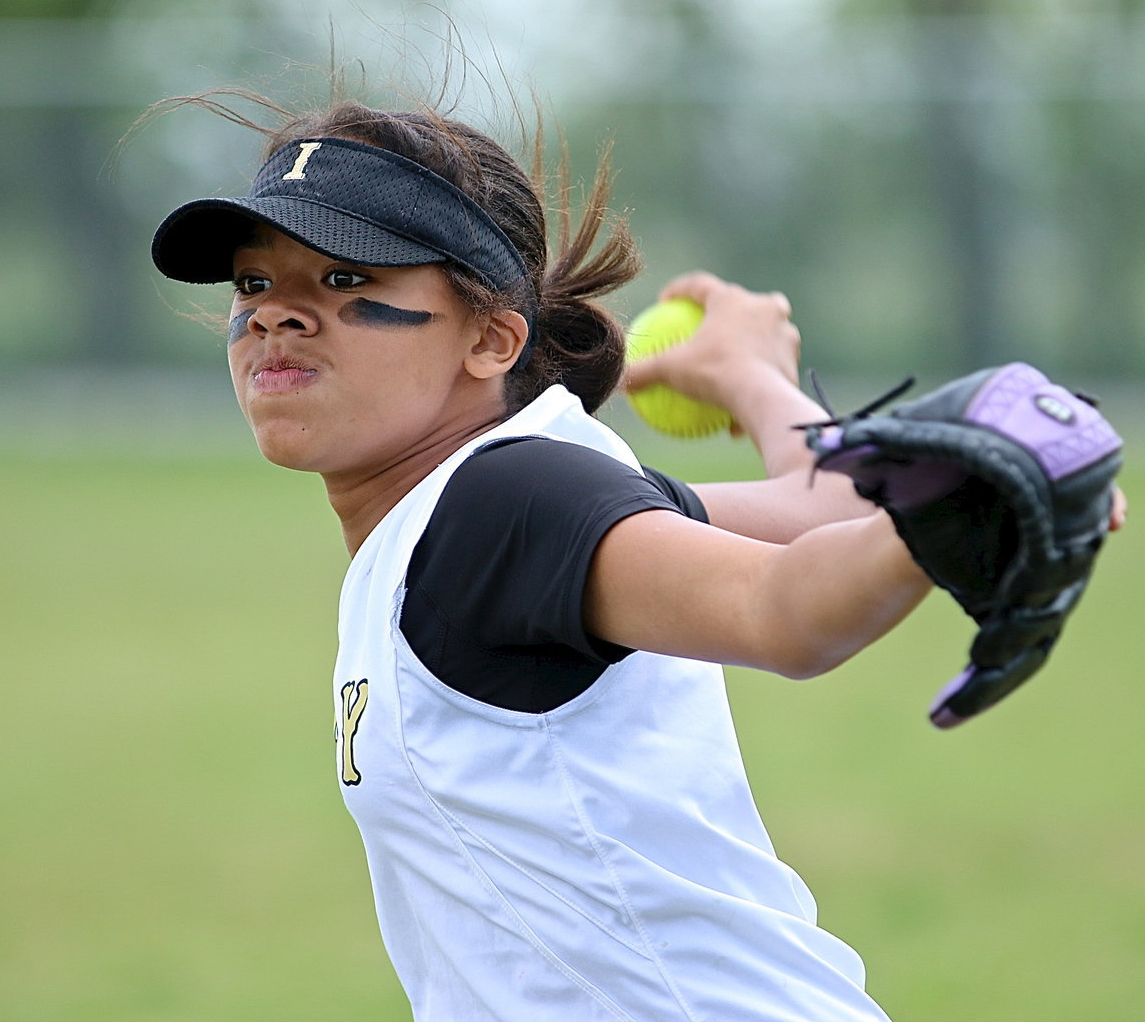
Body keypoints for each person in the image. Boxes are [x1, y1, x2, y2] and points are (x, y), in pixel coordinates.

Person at [147, 97, 1066, 1021]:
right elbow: (817, 507)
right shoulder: (506, 495)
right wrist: (749, 375)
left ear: (491, 339)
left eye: (345, 277)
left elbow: (785, 608)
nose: (279, 318)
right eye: (254, 283)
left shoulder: (501, 507)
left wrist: (954, 501)